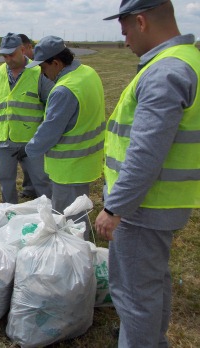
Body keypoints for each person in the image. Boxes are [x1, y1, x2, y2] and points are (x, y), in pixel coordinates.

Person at [95, 0, 200, 346]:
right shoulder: (188, 60)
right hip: (161, 203)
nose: (124, 39)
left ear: (141, 22)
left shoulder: (165, 72)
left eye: (124, 29)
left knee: (133, 296)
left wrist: (115, 208)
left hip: (142, 208)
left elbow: (145, 152)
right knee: (152, 285)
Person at [24, 35, 106, 240]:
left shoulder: (63, 90)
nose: (43, 75)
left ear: (57, 63)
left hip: (68, 168)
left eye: (43, 69)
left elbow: (50, 130)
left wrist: (28, 149)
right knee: (79, 209)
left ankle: (76, 259)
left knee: (68, 219)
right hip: (86, 161)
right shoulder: (88, 73)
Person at [0, 32, 53, 204]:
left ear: (22, 49)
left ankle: (50, 214)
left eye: (12, 54)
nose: (8, 59)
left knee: (41, 180)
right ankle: (10, 214)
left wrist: (47, 136)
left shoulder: (38, 72)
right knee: (5, 181)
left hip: (32, 141)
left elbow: (51, 104)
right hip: (4, 140)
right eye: (4, 55)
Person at [18, 33, 36, 199]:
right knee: (25, 160)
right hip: (22, 127)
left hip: (36, 126)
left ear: (29, 47)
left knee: (36, 162)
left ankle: (41, 191)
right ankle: (30, 188)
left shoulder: (39, 65)